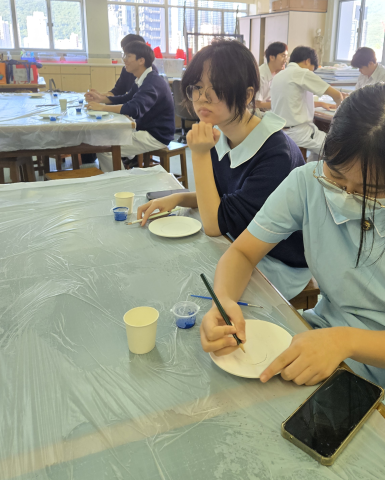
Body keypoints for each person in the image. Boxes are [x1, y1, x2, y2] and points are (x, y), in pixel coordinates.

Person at [198, 83, 385, 480]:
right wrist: (225, 300)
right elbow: (242, 252)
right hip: (329, 332)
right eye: (336, 177)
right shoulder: (307, 182)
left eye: (372, 191)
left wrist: (345, 341)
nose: (348, 195)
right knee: (266, 435)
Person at [134, 39, 312, 294]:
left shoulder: (275, 153)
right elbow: (224, 201)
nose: (202, 98)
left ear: (247, 95)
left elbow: (215, 224)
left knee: (180, 284)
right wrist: (178, 198)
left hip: (277, 263)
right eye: (197, 87)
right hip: (238, 242)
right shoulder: (220, 134)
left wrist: (199, 154)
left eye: (216, 88)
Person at [84, 40, 175, 171]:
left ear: (141, 60)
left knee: (105, 149)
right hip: (144, 129)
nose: (124, 59)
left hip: (156, 135)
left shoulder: (152, 82)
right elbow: (127, 98)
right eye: (124, 55)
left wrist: (103, 107)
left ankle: (120, 181)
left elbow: (133, 108)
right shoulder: (142, 78)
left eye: (128, 56)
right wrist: (102, 99)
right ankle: (120, 174)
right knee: (105, 137)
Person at [269, 46, 344, 161]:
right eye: (312, 69)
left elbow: (294, 101)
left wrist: (321, 104)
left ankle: (311, 169)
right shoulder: (302, 73)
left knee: (319, 148)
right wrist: (340, 119)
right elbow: (337, 95)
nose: (311, 72)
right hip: (299, 132)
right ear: (307, 61)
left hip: (280, 131)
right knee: (338, 150)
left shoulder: (279, 75)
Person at [254, 42, 289, 112]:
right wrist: (279, 104)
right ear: (272, 57)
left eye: (286, 57)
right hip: (256, 113)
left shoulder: (277, 74)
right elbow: (256, 104)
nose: (285, 60)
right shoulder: (261, 75)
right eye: (283, 56)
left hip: (267, 112)